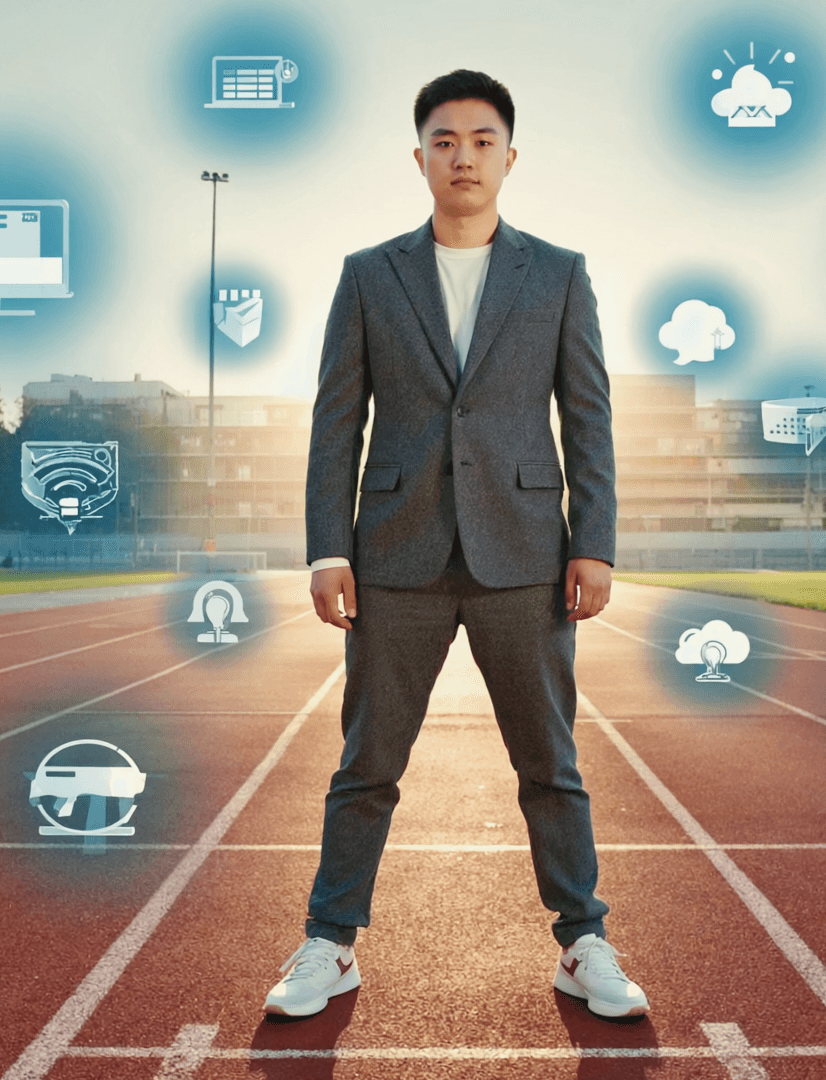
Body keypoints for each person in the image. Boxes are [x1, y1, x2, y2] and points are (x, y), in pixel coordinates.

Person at [266, 69, 647, 1021]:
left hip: (524, 552)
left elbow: (588, 416)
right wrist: (326, 548)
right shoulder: (370, 273)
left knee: (550, 764)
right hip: (394, 553)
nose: (463, 155)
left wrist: (592, 540)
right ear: (420, 157)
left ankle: (583, 941)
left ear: (509, 157)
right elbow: (335, 420)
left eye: (481, 140)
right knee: (366, 765)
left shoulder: (558, 273)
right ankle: (329, 943)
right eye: (445, 140)